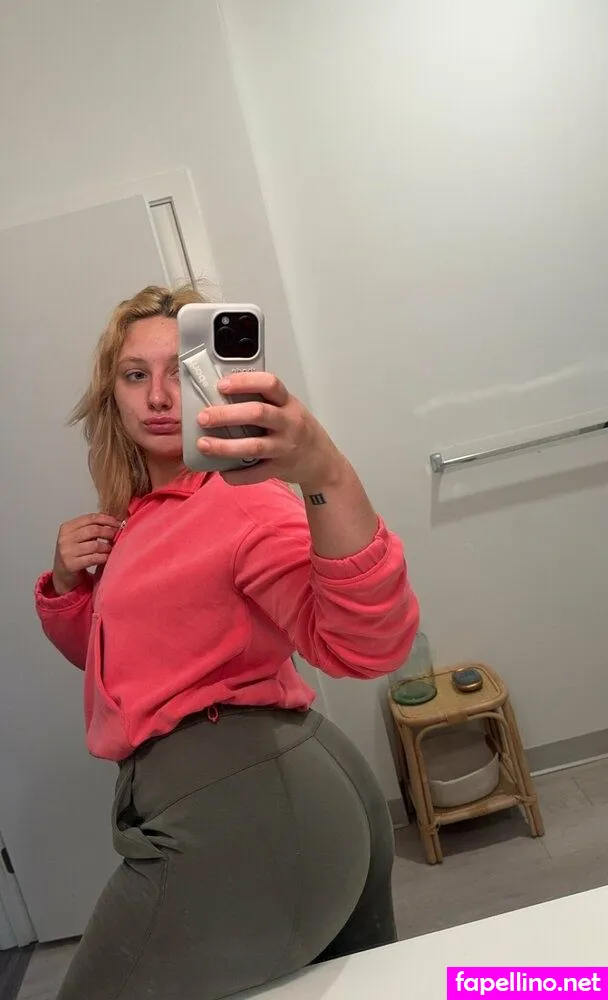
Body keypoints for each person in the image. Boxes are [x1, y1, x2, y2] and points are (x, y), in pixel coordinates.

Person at [34, 283, 419, 1000]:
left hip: (240, 806)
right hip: (286, 783)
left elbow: (367, 645)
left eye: (180, 373)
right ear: (111, 396)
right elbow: (116, 666)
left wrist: (326, 473)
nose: (158, 396)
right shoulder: (141, 519)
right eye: (135, 375)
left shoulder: (241, 500)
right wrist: (66, 586)